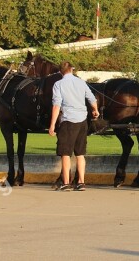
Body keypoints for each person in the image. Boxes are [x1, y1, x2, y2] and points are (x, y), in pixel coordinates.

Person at [48, 61, 99, 191]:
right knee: (80, 154)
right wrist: (95, 110)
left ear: (60, 72)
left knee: (65, 154)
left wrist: (52, 125)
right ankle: (81, 182)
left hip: (68, 121)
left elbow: (56, 105)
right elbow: (92, 98)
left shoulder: (58, 84)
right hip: (82, 121)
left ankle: (66, 182)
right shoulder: (81, 82)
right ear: (72, 69)